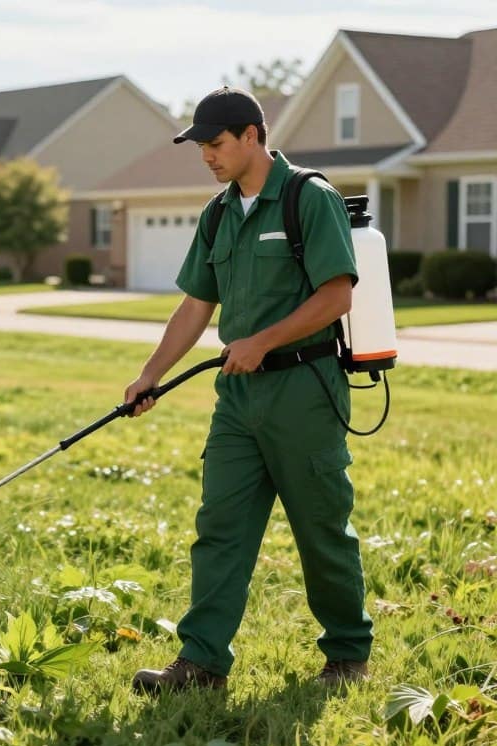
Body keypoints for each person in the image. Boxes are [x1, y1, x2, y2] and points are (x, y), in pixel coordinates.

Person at [127, 86, 373, 694]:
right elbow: (195, 305)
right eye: (201, 146)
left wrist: (262, 340)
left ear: (251, 136)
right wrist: (150, 374)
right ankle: (202, 663)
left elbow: (336, 294)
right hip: (238, 401)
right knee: (221, 529)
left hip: (303, 392)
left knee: (321, 528)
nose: (207, 156)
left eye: (215, 143)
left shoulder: (307, 199)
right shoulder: (219, 214)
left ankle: (347, 655)